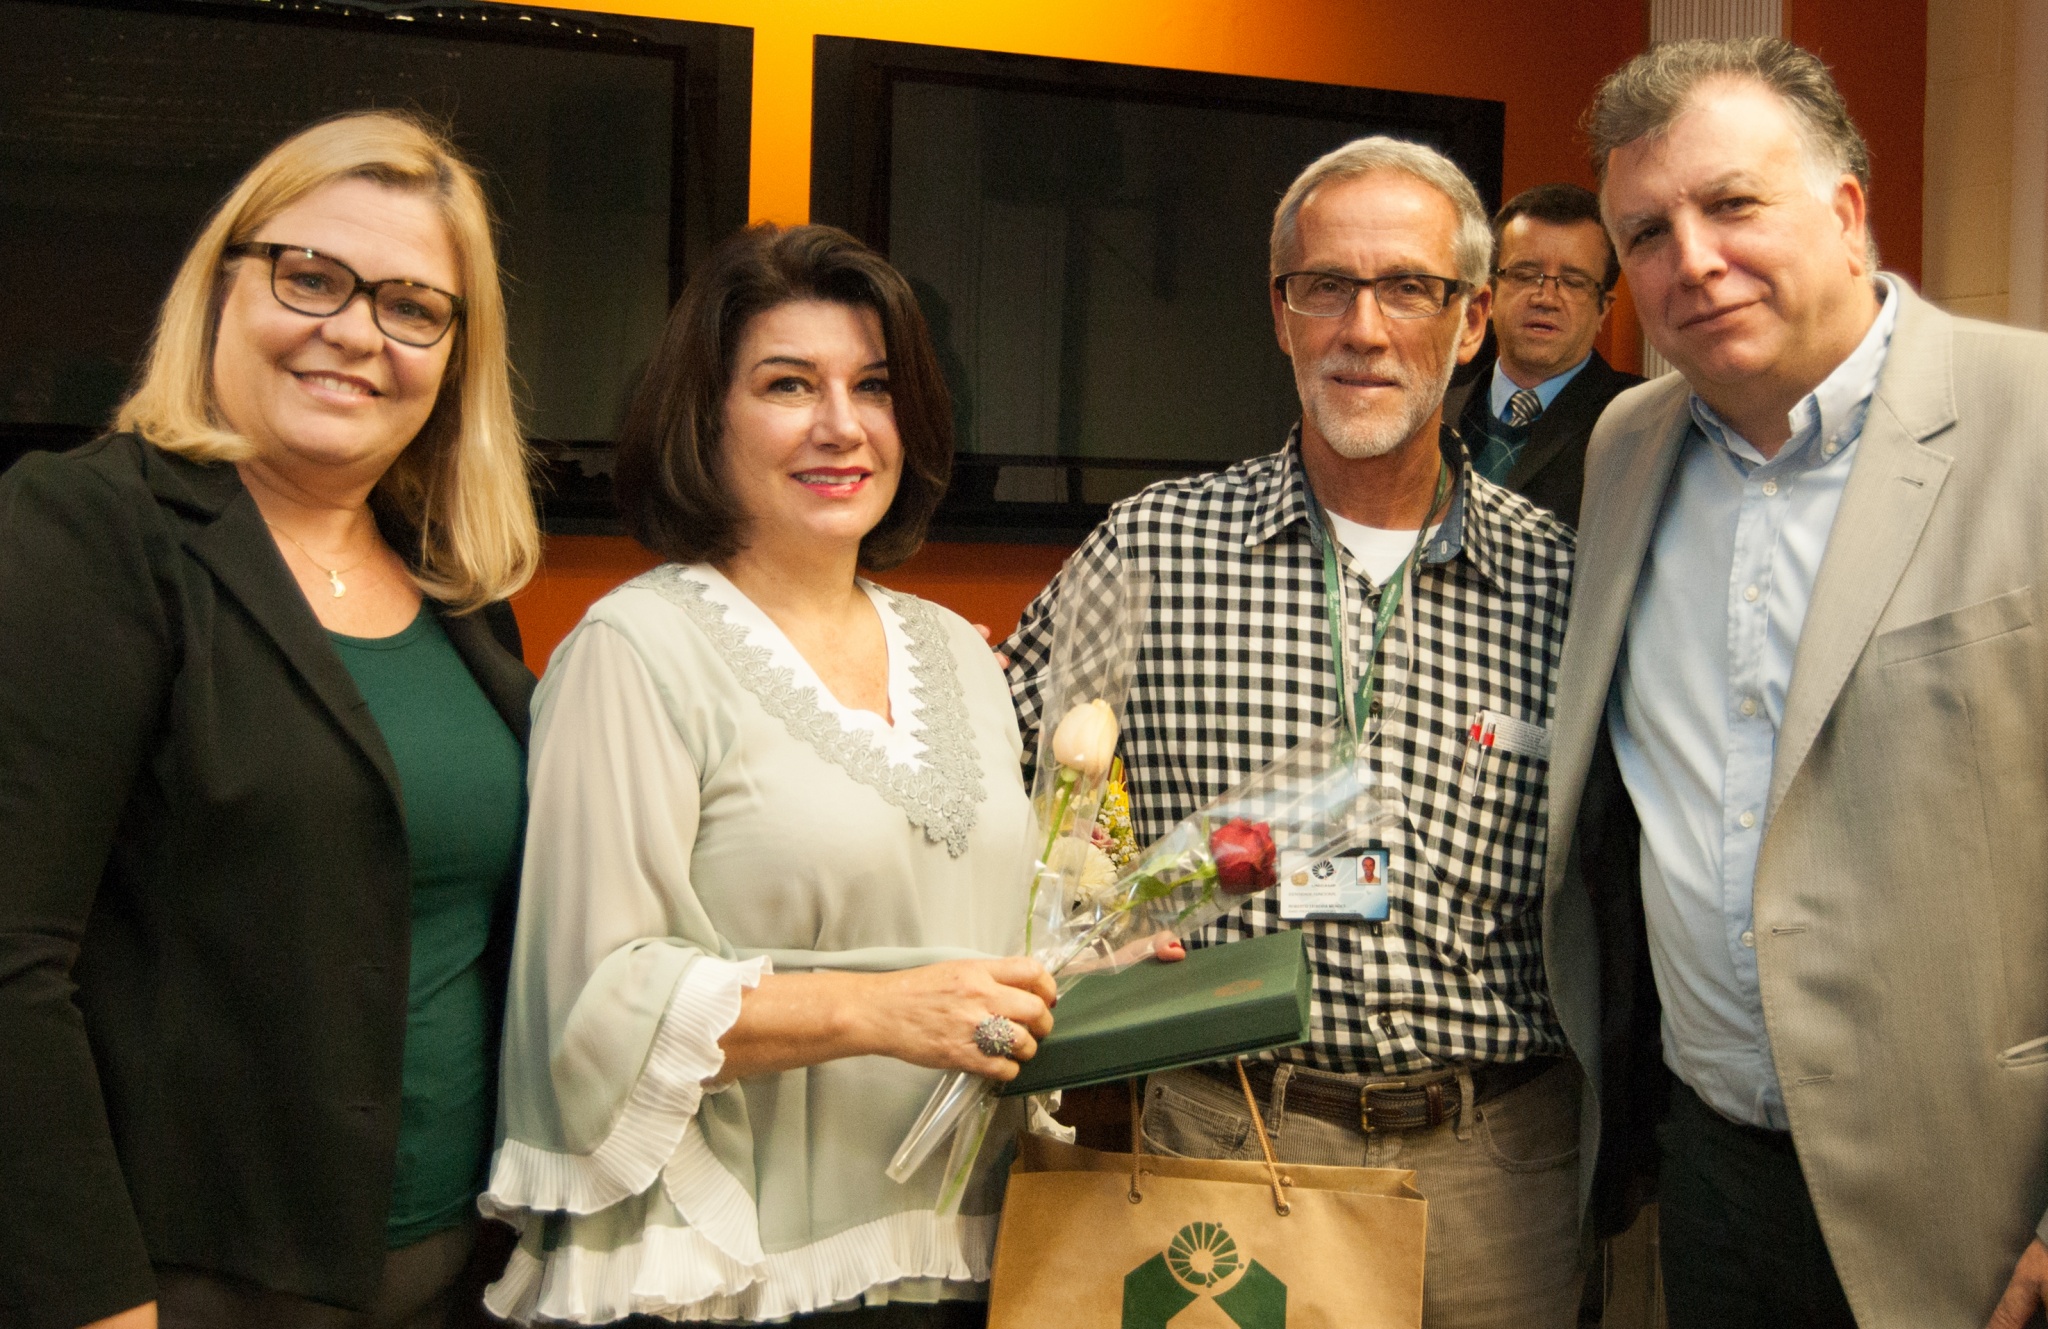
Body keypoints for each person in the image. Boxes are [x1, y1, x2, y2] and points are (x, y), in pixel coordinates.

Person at [1006, 137, 1588, 1328]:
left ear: (1470, 321)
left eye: (1406, 288)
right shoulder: (1149, 550)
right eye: (1323, 285)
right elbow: (998, 778)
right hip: (1225, 1133)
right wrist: (1091, 910)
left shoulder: (1564, 581)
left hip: (1498, 1167)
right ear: (1280, 315)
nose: (1361, 329)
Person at [0, 111, 541, 1329]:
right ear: (222, 287)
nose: (354, 331)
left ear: (455, 352)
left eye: (413, 305)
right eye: (311, 277)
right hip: (185, 1286)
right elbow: (11, 963)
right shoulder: (91, 530)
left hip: (457, 1270)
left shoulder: (459, 583)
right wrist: (93, 1303)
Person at [1544, 36, 2048, 1329]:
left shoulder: (2031, 419)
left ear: (1846, 211)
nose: (1692, 262)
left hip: (1982, 1200)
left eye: (1733, 204)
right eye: (1647, 231)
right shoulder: (1624, 451)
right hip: (1713, 1177)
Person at [479, 223, 1053, 1327]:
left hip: (969, 1256)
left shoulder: (960, 658)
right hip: (732, 1275)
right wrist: (882, 1011)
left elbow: (992, 934)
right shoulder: (636, 651)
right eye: (788, 385)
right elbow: (592, 1005)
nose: (841, 426)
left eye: (873, 387)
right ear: (706, 418)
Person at [1441, 183, 1642, 525]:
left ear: (1603, 310)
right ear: (1487, 298)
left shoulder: (1641, 423)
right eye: (1524, 274)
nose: (1546, 298)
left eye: (1574, 281)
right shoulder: (1434, 409)